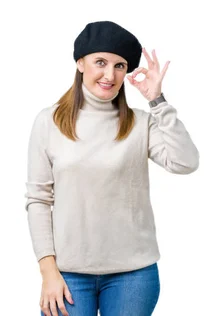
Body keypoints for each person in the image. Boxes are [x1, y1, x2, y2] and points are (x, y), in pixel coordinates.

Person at [25, 21, 199, 316]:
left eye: (120, 66)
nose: (110, 75)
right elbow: (39, 200)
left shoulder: (140, 123)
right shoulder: (49, 122)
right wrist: (48, 272)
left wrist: (157, 100)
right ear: (80, 63)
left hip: (133, 274)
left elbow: (186, 162)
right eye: (100, 62)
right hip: (68, 273)